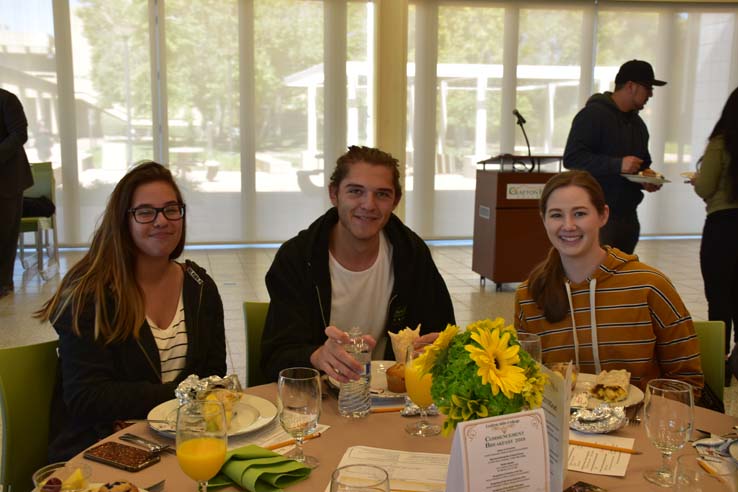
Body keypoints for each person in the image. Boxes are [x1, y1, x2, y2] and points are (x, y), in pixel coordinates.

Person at [36, 161, 226, 461]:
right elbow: (86, 398)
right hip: (100, 452)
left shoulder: (200, 287)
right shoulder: (90, 293)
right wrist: (179, 394)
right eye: (145, 212)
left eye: (171, 209)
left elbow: (214, 375)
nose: (162, 221)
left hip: (181, 445)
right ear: (123, 220)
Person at [261, 145, 455, 383]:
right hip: (319, 398)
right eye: (355, 191)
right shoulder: (298, 258)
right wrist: (317, 355)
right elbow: (274, 358)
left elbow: (444, 335)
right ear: (334, 194)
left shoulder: (412, 254)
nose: (369, 205)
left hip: (392, 399)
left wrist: (438, 349)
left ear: (396, 201)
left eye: (382, 194)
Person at [514, 170, 703, 394]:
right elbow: (525, 382)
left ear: (603, 215)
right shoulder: (529, 295)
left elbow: (687, 381)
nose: (568, 225)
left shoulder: (648, 285)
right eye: (556, 215)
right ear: (543, 219)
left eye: (580, 213)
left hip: (639, 423)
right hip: (563, 426)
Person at [563, 59, 666, 254]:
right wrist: (617, 164)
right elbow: (572, 158)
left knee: (620, 279)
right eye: (648, 88)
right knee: (594, 278)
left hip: (628, 216)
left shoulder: (638, 125)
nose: (651, 94)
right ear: (630, 86)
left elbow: (643, 164)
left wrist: (646, 180)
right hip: (597, 215)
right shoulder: (592, 115)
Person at [691, 87, 738, 383]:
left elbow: (705, 187)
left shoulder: (722, 143)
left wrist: (697, 179)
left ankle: (718, 370)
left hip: (723, 228)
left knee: (719, 297)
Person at [0, 88, 33, 297]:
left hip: (8, 180)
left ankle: (3, 282)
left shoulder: (7, 99)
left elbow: (19, 134)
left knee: (5, 233)